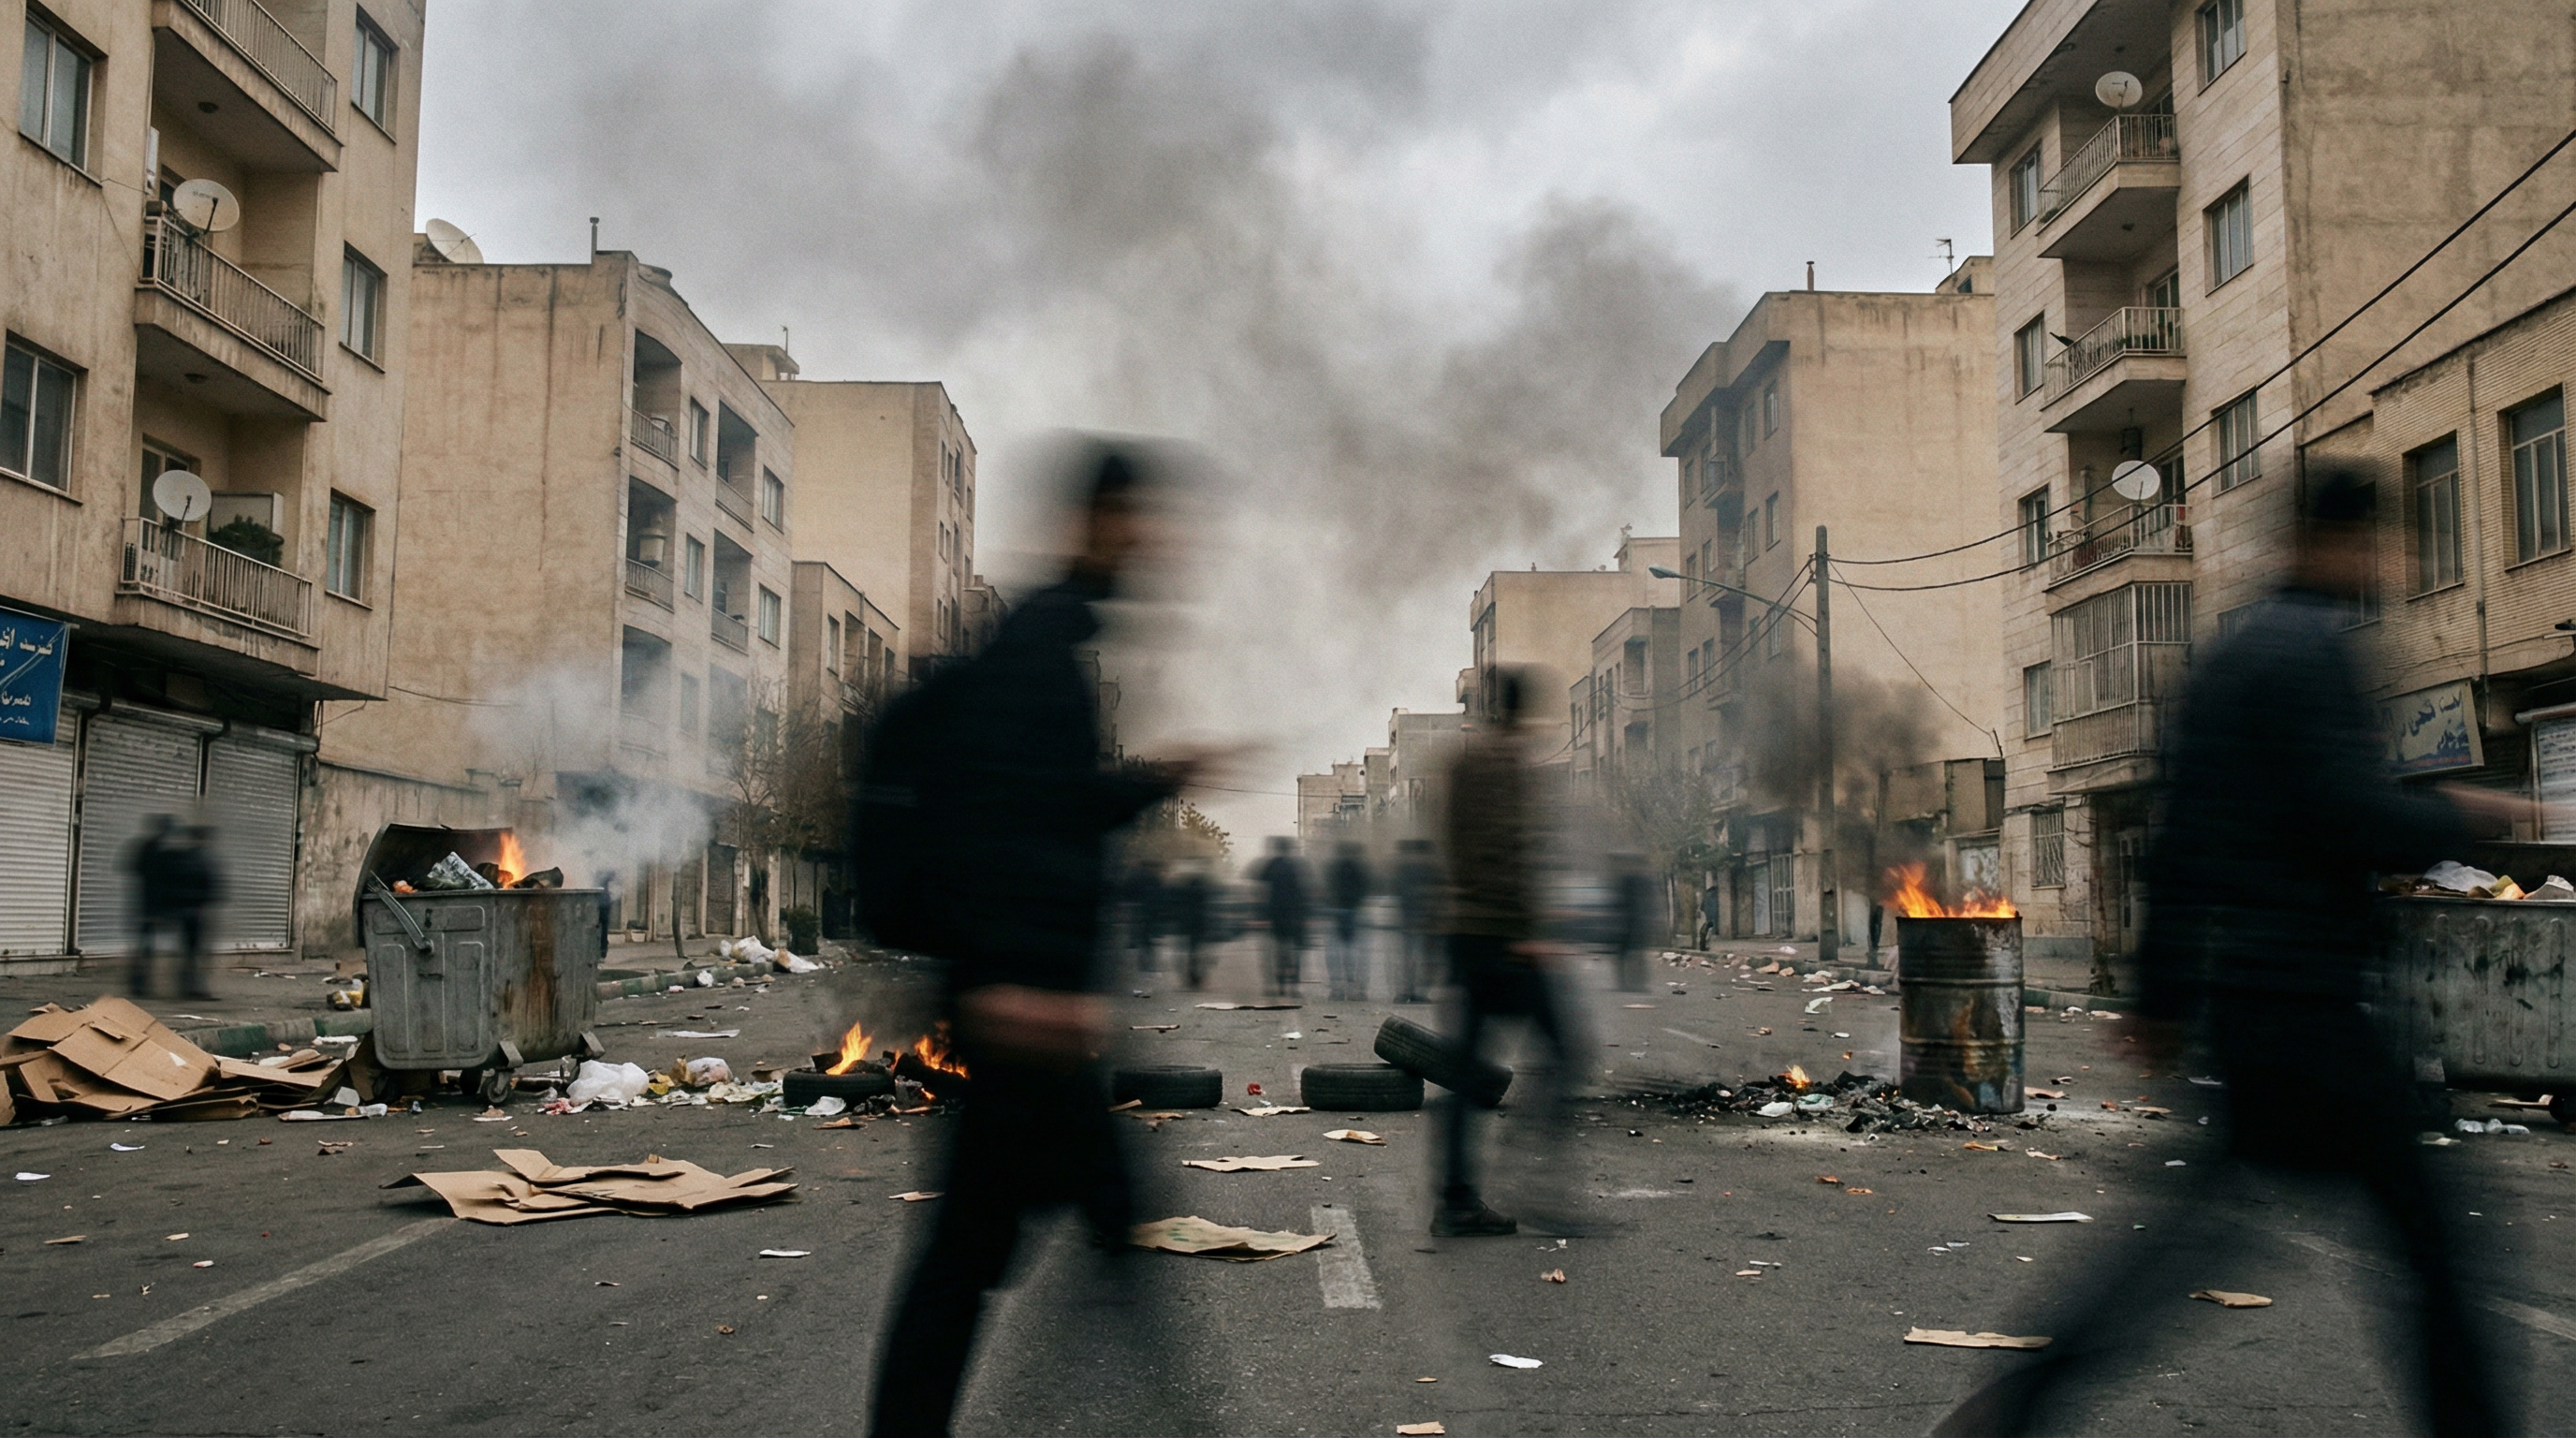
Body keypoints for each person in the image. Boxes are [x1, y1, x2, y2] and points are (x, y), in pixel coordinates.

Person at [1934, 472, 2513, 1438]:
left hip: (2252, 1006)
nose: (2389, 564)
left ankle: (2018, 1408)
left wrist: (2158, 996)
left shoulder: (2230, 659)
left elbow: (2180, 841)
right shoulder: (2312, 653)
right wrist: (2462, 813)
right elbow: (2344, 816)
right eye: (2381, 544)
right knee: (2432, 1250)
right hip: (2310, 1008)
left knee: (2193, 1242)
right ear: (2340, 543)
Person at [868, 443, 1208, 1438]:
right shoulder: (1038, 654)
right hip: (1023, 1018)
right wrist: (1013, 981)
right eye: (1138, 520)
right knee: (987, 1258)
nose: (1154, 542)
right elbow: (1008, 828)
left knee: (1021, 1249)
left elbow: (1051, 811)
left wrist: (1151, 782)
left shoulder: (1052, 647)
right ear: (1096, 523)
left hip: (1029, 1013)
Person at [1433, 668, 1579, 1238]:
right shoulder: (1511, 766)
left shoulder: (1462, 764)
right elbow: (1510, 850)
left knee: (1467, 1072)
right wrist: (1527, 930)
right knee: (1564, 1053)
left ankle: (1457, 1200)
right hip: (1504, 938)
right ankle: (1536, 1181)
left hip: (1466, 934)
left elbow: (1455, 848)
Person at [1252, 837, 1308, 998]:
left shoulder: (1270, 866)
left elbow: (1261, 889)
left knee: (1275, 953)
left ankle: (1276, 984)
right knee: (1293, 953)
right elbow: (1302, 893)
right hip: (1293, 917)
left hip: (1274, 916)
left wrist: (1261, 914)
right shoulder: (1296, 866)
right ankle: (1294, 985)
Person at [1391, 838, 1443, 1003]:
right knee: (1424, 957)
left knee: (1406, 956)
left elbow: (1397, 890)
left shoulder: (1403, 868)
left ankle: (1405, 991)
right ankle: (1420, 992)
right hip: (1426, 919)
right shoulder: (1434, 868)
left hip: (1407, 917)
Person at [1324, 841, 1372, 1001]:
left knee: (1335, 953)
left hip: (1337, 911)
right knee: (1357, 953)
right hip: (1356, 911)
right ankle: (1357, 988)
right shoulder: (1361, 868)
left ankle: (1337, 989)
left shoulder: (1334, 868)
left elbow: (1328, 888)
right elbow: (1367, 888)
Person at [1607, 851, 1658, 992]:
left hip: (1631, 923)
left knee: (1630, 955)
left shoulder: (1630, 880)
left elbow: (1617, 902)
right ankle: (1632, 983)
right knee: (1632, 954)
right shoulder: (1637, 880)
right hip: (1631, 923)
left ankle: (1629, 983)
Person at [1169, 863, 1214, 990]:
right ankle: (1197, 977)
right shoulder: (1203, 892)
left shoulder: (1183, 892)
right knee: (1197, 952)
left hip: (1185, 924)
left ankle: (1187, 978)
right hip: (1199, 925)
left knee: (1185, 951)